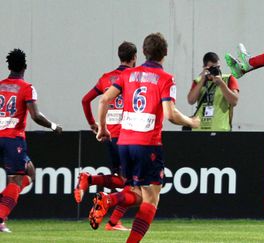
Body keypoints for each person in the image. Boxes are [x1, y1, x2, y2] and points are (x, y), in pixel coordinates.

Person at [89, 33, 200, 242]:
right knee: (152, 199)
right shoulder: (166, 79)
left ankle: (108, 199)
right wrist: (191, 122)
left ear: (144, 52)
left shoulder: (128, 74)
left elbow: (104, 100)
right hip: (147, 144)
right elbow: (170, 114)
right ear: (165, 53)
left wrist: (102, 128)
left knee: (138, 194)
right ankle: (110, 200)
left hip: (124, 142)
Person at [76, 41, 138, 231]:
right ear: (134, 57)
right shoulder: (133, 77)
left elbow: (85, 100)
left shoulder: (106, 78)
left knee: (123, 180)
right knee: (136, 185)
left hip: (109, 136)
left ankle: (90, 181)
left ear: (119, 56)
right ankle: (111, 217)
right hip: (127, 135)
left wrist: (93, 124)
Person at [0, 49, 62, 233]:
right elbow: (35, 115)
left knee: (30, 171)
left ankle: (3, 205)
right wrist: (53, 126)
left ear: (9, 66)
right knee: (16, 182)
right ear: (25, 67)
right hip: (12, 139)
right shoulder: (27, 87)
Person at [187, 52, 239, 131]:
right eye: (212, 68)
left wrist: (221, 84)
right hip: (199, 131)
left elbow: (234, 101)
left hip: (220, 131)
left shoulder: (228, 79)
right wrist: (202, 80)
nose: (216, 70)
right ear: (205, 67)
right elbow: (191, 100)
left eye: (218, 67)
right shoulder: (198, 81)